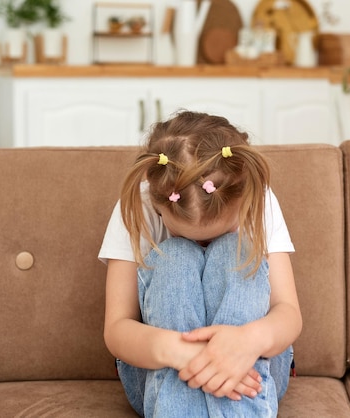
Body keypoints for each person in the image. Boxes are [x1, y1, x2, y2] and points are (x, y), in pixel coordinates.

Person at [98, 110, 302, 417]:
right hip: (164, 366)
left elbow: (289, 314)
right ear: (157, 205)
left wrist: (246, 342)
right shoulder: (138, 207)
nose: (203, 245)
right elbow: (116, 329)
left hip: (252, 367)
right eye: (185, 233)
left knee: (232, 250)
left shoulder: (256, 198)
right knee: (176, 256)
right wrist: (185, 354)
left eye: (220, 230)